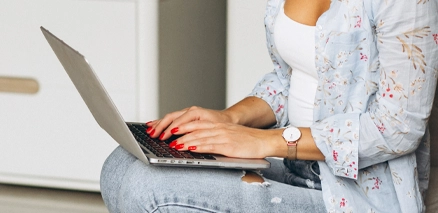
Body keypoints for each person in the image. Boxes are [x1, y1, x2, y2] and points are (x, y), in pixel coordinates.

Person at [100, 0, 438, 212]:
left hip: (355, 193)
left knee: (146, 189)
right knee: (122, 165)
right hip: (296, 166)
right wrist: (227, 120)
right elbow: (290, 78)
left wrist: (266, 141)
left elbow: (398, 129)